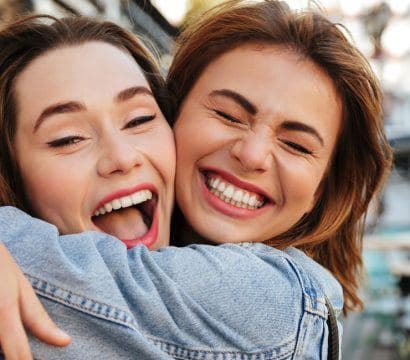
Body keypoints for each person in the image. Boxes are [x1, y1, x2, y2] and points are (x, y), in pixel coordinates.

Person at [0, 1, 392, 359]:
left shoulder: (271, 299)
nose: (252, 154)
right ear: (176, 116)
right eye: (228, 115)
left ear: (320, 191)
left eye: (296, 145)